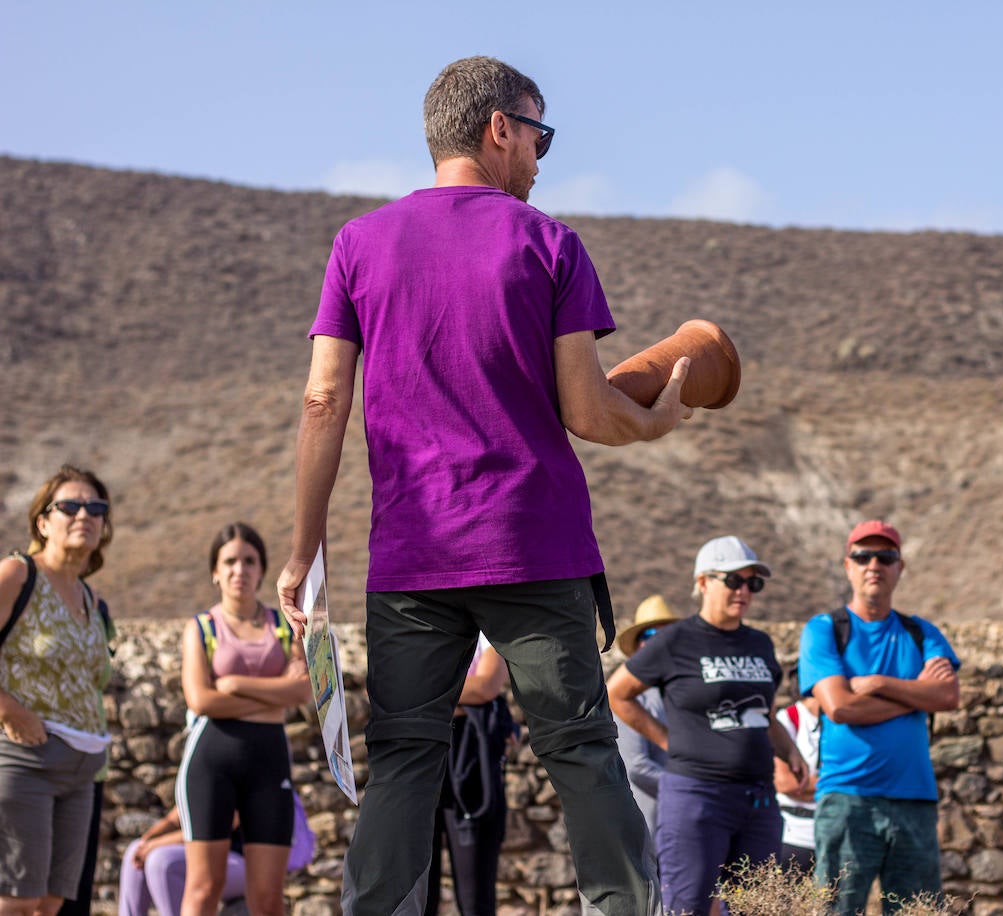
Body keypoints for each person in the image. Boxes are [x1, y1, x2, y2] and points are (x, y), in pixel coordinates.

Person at [274, 55, 693, 916]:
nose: (542, 157)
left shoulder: (358, 244)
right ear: (499, 128)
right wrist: (658, 420)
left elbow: (323, 401)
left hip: (411, 559)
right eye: (539, 133)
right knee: (580, 749)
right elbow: (589, 409)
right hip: (532, 545)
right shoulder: (548, 243)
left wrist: (302, 551)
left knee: (403, 759)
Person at [608, 536, 806, 916]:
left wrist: (789, 750)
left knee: (756, 907)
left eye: (753, 583)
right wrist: (668, 741)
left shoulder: (760, 644)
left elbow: (764, 714)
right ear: (702, 582)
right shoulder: (675, 641)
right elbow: (618, 695)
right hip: (697, 797)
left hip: (758, 799)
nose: (744, 590)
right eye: (733, 580)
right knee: (689, 909)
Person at [797, 520, 960, 914]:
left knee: (916, 911)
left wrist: (878, 682)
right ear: (847, 565)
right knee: (837, 910)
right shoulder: (824, 630)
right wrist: (915, 695)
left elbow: (948, 694)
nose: (874, 564)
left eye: (885, 556)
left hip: (914, 799)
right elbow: (841, 708)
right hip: (847, 798)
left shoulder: (921, 632)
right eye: (863, 556)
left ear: (899, 567)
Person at [177, 523, 311, 916]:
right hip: (210, 766)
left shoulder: (286, 627)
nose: (240, 569)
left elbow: (303, 692)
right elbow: (201, 700)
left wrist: (234, 683)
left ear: (262, 570)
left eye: (249, 561)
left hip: (269, 766)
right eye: (230, 561)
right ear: (215, 572)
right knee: (204, 889)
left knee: (269, 899)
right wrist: (272, 700)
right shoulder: (201, 628)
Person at [0, 465, 116, 916]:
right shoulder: (18, 574)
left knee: (50, 906)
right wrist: (10, 710)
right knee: (17, 902)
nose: (83, 513)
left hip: (82, 770)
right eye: (69, 505)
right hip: (24, 761)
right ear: (43, 522)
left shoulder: (91, 599)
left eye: (95, 507)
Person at [425, 634, 518, 916]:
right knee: (416, 896)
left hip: (471, 759)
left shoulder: (487, 629)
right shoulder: (418, 618)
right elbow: (384, 684)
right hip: (423, 755)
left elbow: (485, 686)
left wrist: (420, 693)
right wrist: (460, 698)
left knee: (474, 896)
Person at [117, 793, 314, 916]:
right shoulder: (200, 765)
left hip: (246, 861)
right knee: (135, 850)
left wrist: (154, 845)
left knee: (161, 863)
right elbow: (173, 818)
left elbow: (216, 829)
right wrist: (147, 841)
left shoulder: (237, 764)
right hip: (210, 855)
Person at [612, 595, 681, 845]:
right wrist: (692, 788)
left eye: (670, 635)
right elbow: (637, 767)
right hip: (650, 827)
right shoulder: (634, 699)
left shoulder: (683, 693)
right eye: (652, 635)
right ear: (640, 645)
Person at [773, 693, 821, 872]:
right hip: (793, 837)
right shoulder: (788, 718)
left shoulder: (850, 720)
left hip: (837, 837)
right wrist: (839, 786)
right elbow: (786, 783)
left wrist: (808, 784)